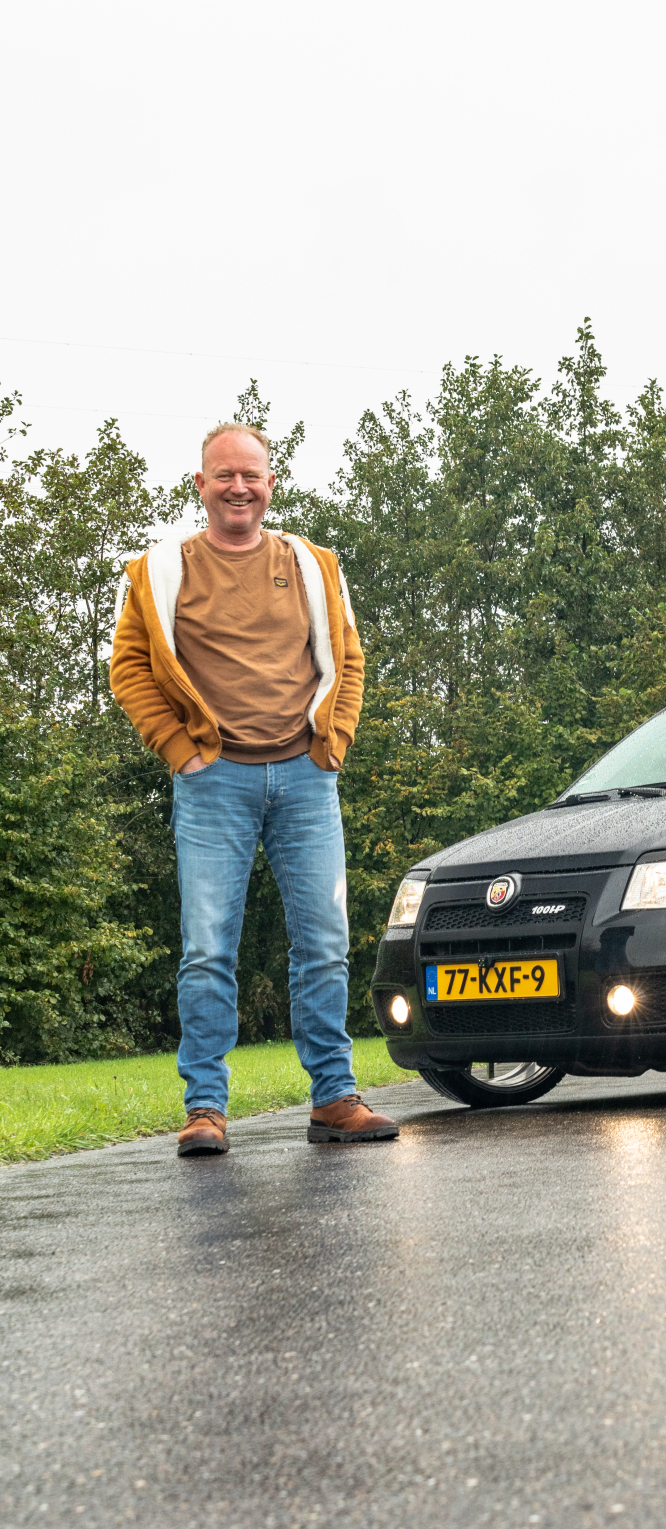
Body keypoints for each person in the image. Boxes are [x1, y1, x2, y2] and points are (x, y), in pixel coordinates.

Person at [110, 422, 398, 1155]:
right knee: (208, 949)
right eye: (224, 474)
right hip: (213, 785)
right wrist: (178, 749)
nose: (239, 486)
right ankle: (205, 1109)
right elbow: (130, 670)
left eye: (253, 475)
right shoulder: (159, 571)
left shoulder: (313, 564)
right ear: (200, 484)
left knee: (325, 946)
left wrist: (335, 743)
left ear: (271, 483)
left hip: (306, 779)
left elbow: (351, 658)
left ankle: (334, 1098)